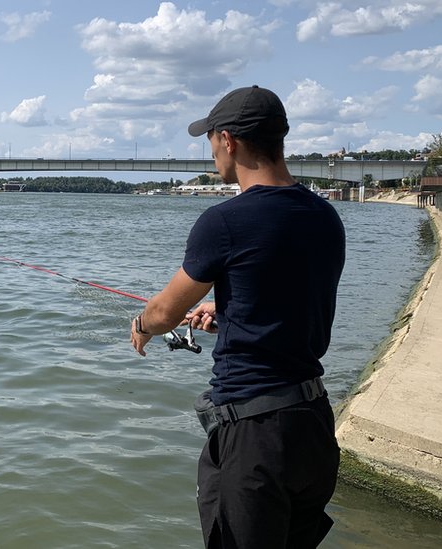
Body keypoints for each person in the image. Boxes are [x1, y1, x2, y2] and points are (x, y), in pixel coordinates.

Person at [129, 85, 345, 548]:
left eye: (208, 140)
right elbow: (290, 303)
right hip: (312, 426)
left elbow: (166, 311)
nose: (211, 153)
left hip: (254, 436)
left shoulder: (223, 222)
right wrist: (227, 313)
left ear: (228, 139)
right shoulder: (325, 216)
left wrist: (141, 325)